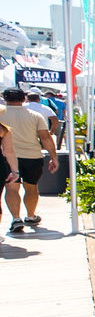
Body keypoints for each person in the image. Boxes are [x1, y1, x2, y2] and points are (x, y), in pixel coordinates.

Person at [0, 87, 59, 233]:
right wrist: (54, 157)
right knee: (31, 187)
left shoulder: (1, 115)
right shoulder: (35, 115)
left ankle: (16, 218)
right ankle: (31, 215)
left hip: (7, 157)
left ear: (5, 98)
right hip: (32, 156)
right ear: (23, 99)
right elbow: (45, 137)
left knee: (12, 188)